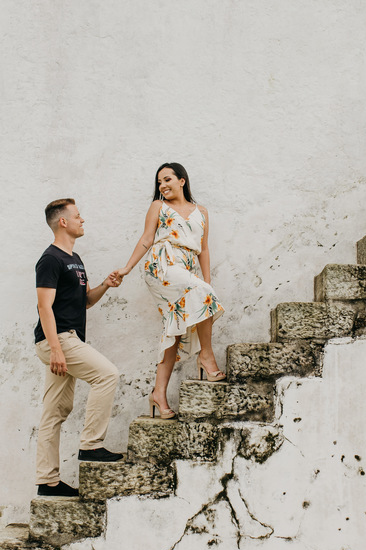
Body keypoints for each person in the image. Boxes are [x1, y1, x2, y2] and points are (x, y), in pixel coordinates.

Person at [117, 163, 226, 419]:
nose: (162, 185)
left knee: (174, 327)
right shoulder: (158, 206)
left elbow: (204, 249)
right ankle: (206, 357)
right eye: (159, 182)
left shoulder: (202, 212)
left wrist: (207, 282)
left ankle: (158, 394)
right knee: (201, 295)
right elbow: (146, 238)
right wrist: (126, 268)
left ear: (182, 181)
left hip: (187, 268)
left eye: (167, 179)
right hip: (162, 265)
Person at [33, 198, 125, 498]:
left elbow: (85, 301)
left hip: (67, 338)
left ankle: (48, 482)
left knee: (55, 411)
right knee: (107, 375)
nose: (82, 220)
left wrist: (105, 285)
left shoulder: (76, 259)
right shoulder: (50, 259)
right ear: (63, 222)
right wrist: (57, 349)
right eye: (77, 216)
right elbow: (44, 307)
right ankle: (91, 446)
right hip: (58, 339)